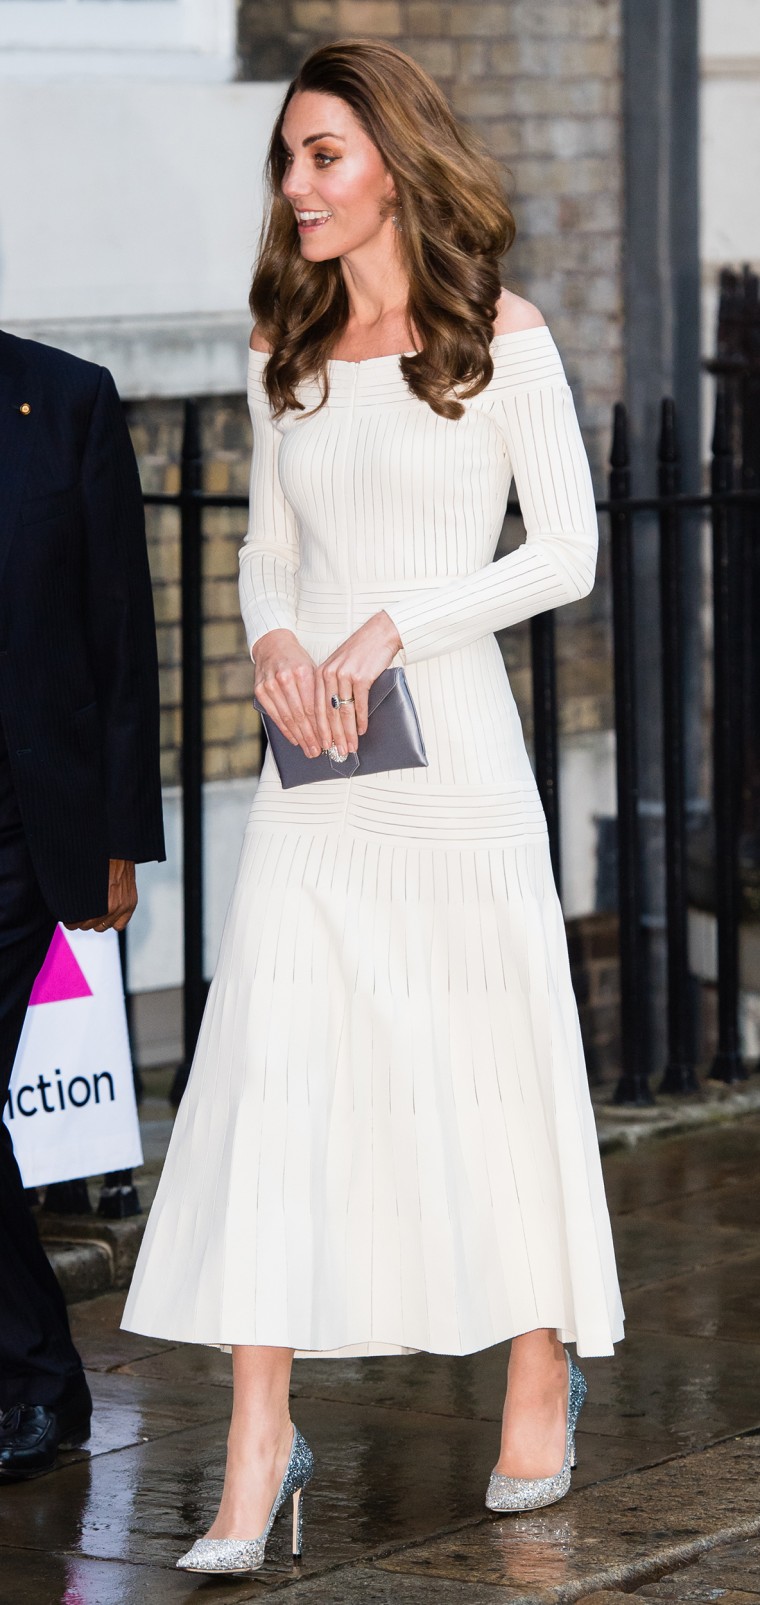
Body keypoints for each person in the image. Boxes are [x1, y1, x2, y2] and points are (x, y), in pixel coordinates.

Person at [121, 38, 624, 1574]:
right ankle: (261, 1438)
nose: (296, 185)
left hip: (451, 758)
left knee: (484, 1060)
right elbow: (269, 546)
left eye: (321, 154)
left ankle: (541, 1368)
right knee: (274, 1074)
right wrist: (276, 631)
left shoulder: (497, 338)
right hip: (317, 768)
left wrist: (398, 622)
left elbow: (572, 553)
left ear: (393, 158)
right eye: (285, 159)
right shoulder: (286, 339)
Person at [0, 330, 165, 1480]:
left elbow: (120, 629)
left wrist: (118, 838)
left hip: (21, 826)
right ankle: (42, 1382)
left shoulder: (63, 400)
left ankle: (42, 1384)